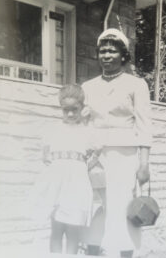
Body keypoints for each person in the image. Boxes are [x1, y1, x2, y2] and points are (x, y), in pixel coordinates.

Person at [82, 28, 152, 258]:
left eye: (112, 51)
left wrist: (144, 164)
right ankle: (93, 249)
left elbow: (143, 125)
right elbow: (83, 123)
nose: (106, 55)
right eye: (102, 51)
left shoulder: (136, 84)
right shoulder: (88, 87)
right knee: (99, 204)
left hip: (124, 154)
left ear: (123, 55)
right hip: (95, 155)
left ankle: (124, 252)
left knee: (122, 204)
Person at [30, 84, 100, 254]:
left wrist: (84, 167)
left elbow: (97, 152)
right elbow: (45, 156)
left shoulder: (87, 132)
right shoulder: (53, 130)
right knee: (57, 228)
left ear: (81, 108)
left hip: (76, 185)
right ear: (61, 108)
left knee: (73, 230)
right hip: (57, 185)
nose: (70, 114)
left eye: (74, 110)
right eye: (65, 110)